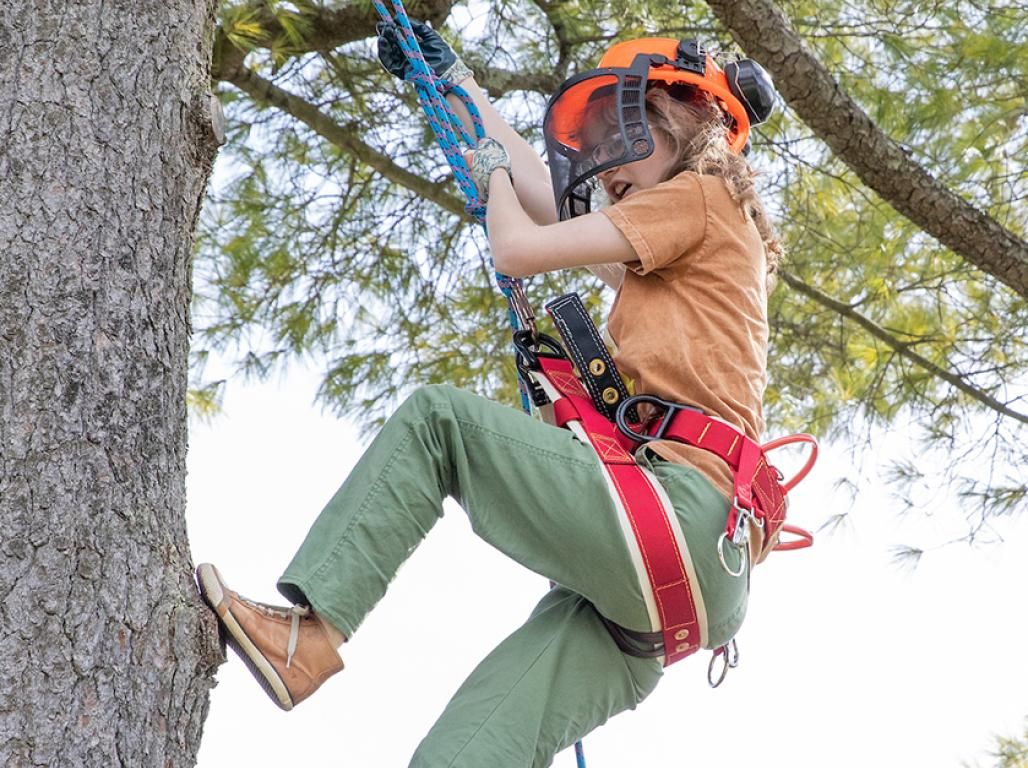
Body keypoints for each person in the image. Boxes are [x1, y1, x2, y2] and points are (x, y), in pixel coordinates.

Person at [196, 21, 784, 768]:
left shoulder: (700, 196)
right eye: (596, 151)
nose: (602, 167)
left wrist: (491, 174)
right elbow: (549, 200)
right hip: (694, 593)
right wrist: (451, 84)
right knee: (462, 756)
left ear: (682, 121)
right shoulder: (685, 248)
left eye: (619, 136)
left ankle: (310, 635)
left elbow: (520, 242)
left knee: (440, 423)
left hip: (679, 514)